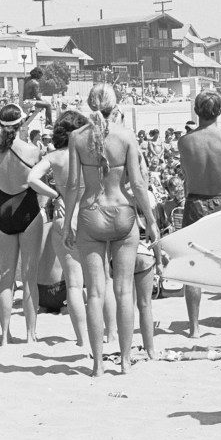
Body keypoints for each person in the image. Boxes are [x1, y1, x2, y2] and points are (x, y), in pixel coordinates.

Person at [66, 84, 158, 377]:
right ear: (115, 105)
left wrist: (69, 220)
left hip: (91, 212)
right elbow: (140, 185)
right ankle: (126, 361)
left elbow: (71, 185)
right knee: (123, 291)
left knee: (94, 292)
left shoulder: (76, 138)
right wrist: (152, 221)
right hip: (122, 212)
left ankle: (97, 364)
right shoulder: (126, 136)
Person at [177, 89, 221, 337]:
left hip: (195, 200)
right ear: (220, 111)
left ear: (196, 111)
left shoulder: (185, 141)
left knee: (192, 264)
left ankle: (194, 328)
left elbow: (186, 172)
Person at [26, 111, 93, 350]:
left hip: (65, 217)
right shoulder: (90, 155)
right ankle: (110, 335)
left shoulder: (54, 157)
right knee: (99, 282)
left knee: (73, 285)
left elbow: (32, 178)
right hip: (90, 215)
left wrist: (56, 195)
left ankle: (82, 339)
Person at [0, 102, 48, 345]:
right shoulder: (32, 151)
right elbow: (41, 188)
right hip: (27, 208)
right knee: (29, 276)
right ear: (21, 123)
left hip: (4, 208)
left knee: (5, 276)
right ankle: (29, 335)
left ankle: (4, 336)